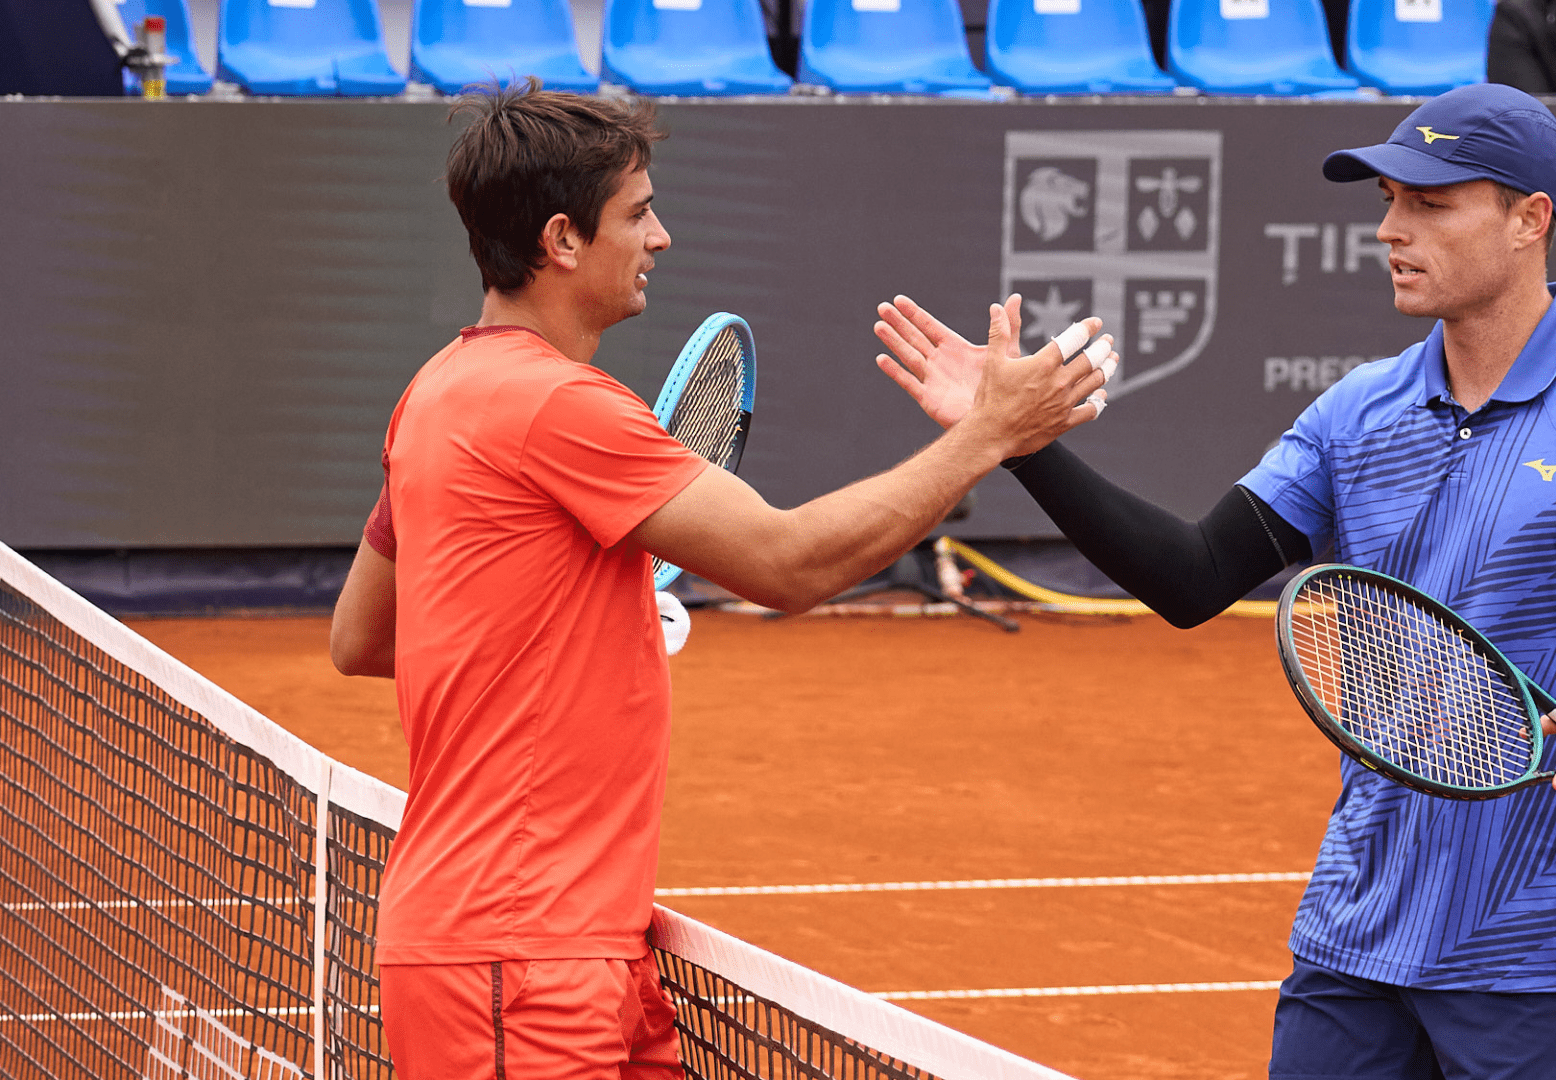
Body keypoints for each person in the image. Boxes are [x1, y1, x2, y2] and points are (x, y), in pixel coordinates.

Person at [875, 82, 1556, 1079]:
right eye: (1387, 201)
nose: (1390, 230)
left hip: (1538, 952)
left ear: (1529, 220)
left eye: (1430, 204)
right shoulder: (1357, 415)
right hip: (1355, 933)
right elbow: (1193, 578)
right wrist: (1013, 440)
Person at [327, 84, 1109, 1080]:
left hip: (568, 942)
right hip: (519, 959)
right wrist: (990, 434)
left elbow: (363, 637)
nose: (660, 237)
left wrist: (594, 624)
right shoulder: (559, 405)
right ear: (563, 240)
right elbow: (789, 562)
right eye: (638, 213)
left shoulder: (435, 393)